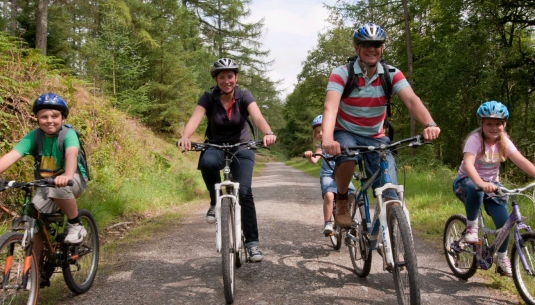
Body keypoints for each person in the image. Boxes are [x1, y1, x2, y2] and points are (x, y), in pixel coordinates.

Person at [321, 23, 441, 228]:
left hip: (376, 136)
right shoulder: (341, 73)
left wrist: (429, 123)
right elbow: (330, 108)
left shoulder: (391, 73)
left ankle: (389, 241)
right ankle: (342, 199)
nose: (372, 48)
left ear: (382, 48)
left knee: (390, 193)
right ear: (357, 48)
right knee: (348, 158)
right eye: (366, 44)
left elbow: (412, 100)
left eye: (377, 44)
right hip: (346, 131)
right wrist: (328, 139)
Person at [177, 58, 276, 262]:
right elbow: (195, 118)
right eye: (221, 77)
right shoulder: (208, 97)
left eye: (230, 76)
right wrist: (186, 136)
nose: (226, 80)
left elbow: (257, 116)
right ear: (215, 79)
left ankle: (252, 243)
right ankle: (215, 202)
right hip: (216, 145)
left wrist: (267, 132)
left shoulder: (244, 96)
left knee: (245, 193)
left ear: (236, 78)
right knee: (207, 163)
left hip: (242, 147)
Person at [0, 93, 88, 269]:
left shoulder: (68, 134)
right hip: (47, 183)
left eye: (55, 116)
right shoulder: (34, 136)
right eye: (44, 117)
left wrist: (68, 176)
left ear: (63, 119)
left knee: (58, 187)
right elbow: (10, 157)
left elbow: (71, 154)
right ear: (37, 119)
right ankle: (36, 269)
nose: (49, 121)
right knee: (33, 218)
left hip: (73, 179)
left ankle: (75, 224)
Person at [453, 101, 535, 277]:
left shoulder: (504, 142)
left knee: (504, 222)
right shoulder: (475, 140)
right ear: (481, 123)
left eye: (498, 123)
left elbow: (521, 161)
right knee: (476, 189)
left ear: (504, 124)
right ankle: (471, 228)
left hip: (492, 187)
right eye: (489, 123)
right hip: (467, 182)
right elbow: (468, 164)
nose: (494, 127)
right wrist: (481, 183)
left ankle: (502, 258)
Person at [304, 114, 356, 235]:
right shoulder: (321, 147)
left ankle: (347, 213)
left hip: (342, 175)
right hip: (328, 175)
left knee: (353, 194)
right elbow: (314, 160)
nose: (321, 134)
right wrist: (309, 156)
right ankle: (328, 222)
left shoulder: (342, 143)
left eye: (323, 130)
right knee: (329, 195)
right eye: (317, 132)